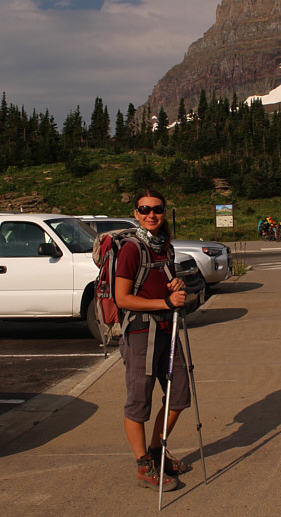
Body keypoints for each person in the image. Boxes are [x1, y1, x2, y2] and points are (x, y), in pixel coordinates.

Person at [115, 189, 190, 491]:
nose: (151, 215)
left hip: (167, 330)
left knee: (179, 395)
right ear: (135, 213)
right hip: (141, 333)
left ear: (164, 212)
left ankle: (158, 452)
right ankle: (143, 463)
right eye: (144, 209)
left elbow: (164, 283)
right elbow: (123, 298)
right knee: (139, 401)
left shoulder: (164, 246)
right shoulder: (132, 249)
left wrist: (176, 283)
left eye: (156, 209)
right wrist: (165, 304)